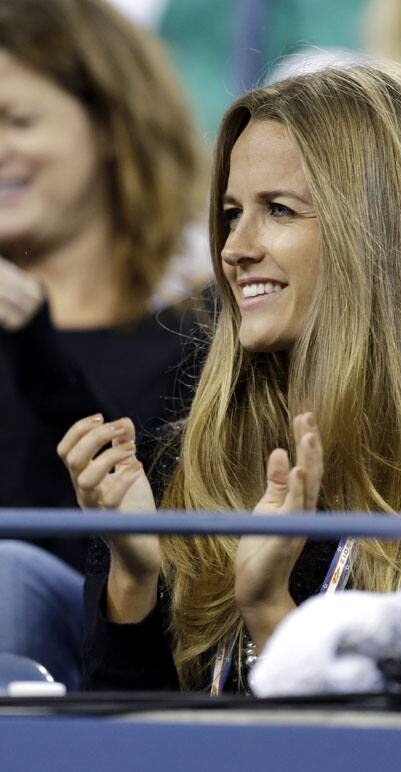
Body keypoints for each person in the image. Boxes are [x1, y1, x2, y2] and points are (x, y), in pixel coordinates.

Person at [59, 64, 401, 695]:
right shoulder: (171, 477)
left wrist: (269, 611)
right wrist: (133, 576)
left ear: (385, 237)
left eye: (278, 210)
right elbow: (118, 754)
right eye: (230, 213)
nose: (233, 248)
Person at [0, 0, 210, 690]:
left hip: (114, 650)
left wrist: (36, 350)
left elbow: (137, 524)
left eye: (18, 120)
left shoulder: (205, 324)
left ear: (113, 126)